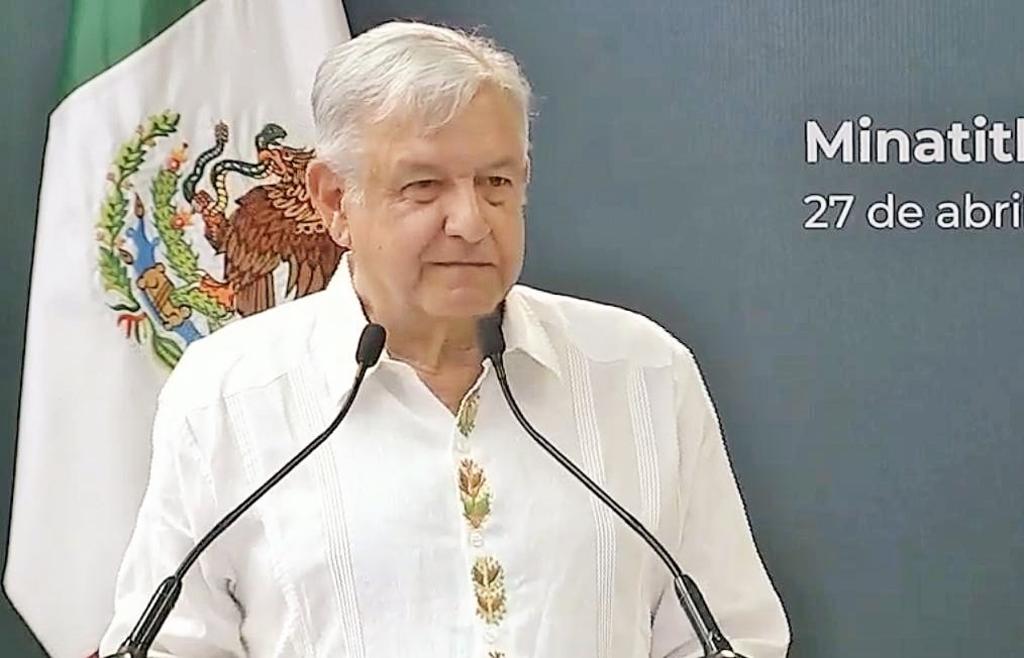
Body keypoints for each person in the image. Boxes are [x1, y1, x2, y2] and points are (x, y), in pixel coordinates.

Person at [100, 20, 790, 658]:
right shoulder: (228, 394)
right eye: (424, 186)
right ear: (334, 200)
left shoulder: (642, 373)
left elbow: (730, 639)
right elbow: (171, 646)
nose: (470, 221)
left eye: (495, 183)